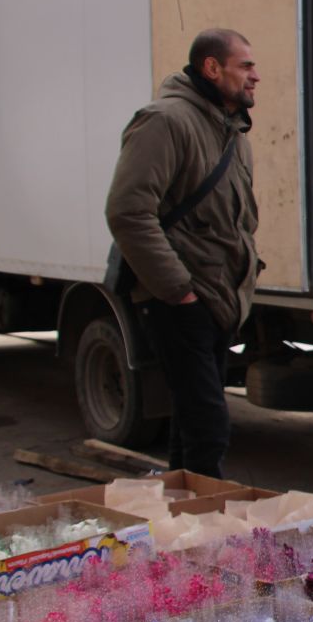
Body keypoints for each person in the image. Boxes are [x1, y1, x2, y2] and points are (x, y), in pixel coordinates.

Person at [106, 29, 260, 478]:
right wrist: (179, 291)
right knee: (209, 427)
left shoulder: (232, 131)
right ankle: (206, 533)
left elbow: (238, 220)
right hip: (180, 301)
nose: (256, 76)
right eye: (245, 66)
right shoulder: (165, 121)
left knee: (190, 423)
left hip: (217, 301)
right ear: (212, 68)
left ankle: (180, 525)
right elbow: (127, 211)